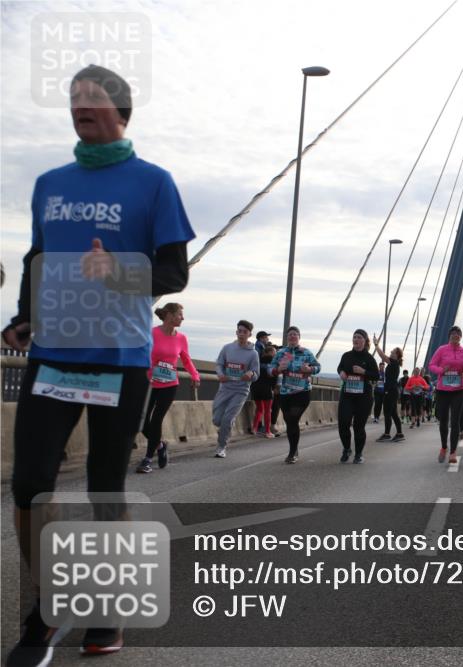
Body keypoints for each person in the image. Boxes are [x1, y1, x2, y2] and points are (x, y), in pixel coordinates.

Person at [3, 64, 195, 662]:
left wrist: (119, 271)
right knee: (30, 484)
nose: (80, 105)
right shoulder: (49, 184)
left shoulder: (153, 183)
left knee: (104, 488)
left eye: (93, 97)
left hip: (119, 359)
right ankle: (49, 604)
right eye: (73, 97)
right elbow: (37, 256)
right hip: (53, 356)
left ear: (121, 110)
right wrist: (23, 316)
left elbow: (175, 273)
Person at [136, 303, 201, 473]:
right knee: (141, 421)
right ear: (170, 315)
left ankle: (147, 459)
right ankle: (160, 445)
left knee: (156, 420)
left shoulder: (181, 338)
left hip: (169, 384)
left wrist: (195, 375)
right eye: (180, 314)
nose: (182, 318)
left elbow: (186, 359)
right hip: (149, 383)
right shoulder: (152, 333)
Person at [269, 326, 321, 464]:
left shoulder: (306, 352)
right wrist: (277, 369)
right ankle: (294, 450)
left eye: (295, 334)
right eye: (290, 334)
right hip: (285, 393)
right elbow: (269, 368)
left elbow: (318, 367)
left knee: (293, 418)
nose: (292, 336)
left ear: (299, 337)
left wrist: (309, 369)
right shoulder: (281, 353)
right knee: (289, 421)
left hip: (302, 392)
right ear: (287, 338)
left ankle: (292, 452)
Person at [212, 320, 260, 458]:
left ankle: (221, 447)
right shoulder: (227, 348)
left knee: (227, 419)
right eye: (240, 331)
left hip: (241, 390)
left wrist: (250, 374)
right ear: (236, 332)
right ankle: (226, 428)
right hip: (225, 388)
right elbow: (219, 364)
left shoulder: (253, 354)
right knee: (217, 420)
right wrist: (221, 375)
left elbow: (256, 374)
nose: (242, 334)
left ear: (249, 334)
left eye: (245, 332)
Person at [335, 329, 379, 463]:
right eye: (354, 337)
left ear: (365, 341)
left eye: (359, 337)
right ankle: (347, 448)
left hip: (363, 397)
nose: (356, 340)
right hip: (347, 395)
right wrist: (341, 372)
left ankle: (358, 454)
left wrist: (363, 371)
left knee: (358, 427)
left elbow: (376, 376)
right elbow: (340, 367)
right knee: (343, 423)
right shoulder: (346, 356)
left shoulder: (369, 358)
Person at [428, 325, 463, 464]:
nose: (455, 335)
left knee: (455, 421)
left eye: (458, 333)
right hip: (443, 390)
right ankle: (444, 448)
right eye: (453, 333)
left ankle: (453, 452)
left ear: (460, 337)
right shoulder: (442, 349)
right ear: (449, 336)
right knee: (444, 420)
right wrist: (441, 370)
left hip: (458, 390)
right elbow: (431, 365)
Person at [372, 338, 405, 442]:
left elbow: (382, 355)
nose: (391, 352)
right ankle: (399, 433)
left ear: (396, 355)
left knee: (387, 413)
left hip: (390, 391)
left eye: (393, 351)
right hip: (392, 391)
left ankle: (387, 434)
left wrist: (376, 345)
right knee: (393, 413)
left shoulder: (393, 362)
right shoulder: (394, 363)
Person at [250, 344, 278, 438]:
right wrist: (274, 388)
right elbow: (274, 376)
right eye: (274, 352)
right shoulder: (273, 362)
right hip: (267, 389)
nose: (275, 354)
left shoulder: (257, 361)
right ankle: (267, 431)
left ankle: (254, 428)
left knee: (259, 409)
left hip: (255, 387)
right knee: (267, 411)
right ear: (269, 352)